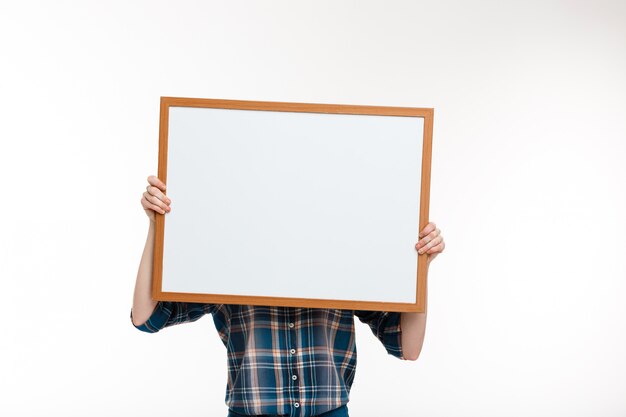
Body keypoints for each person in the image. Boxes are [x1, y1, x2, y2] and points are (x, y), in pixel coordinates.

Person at [131, 175, 445, 417]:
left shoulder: (344, 254)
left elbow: (408, 346)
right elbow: (146, 317)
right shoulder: (226, 256)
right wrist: (155, 224)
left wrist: (421, 266)